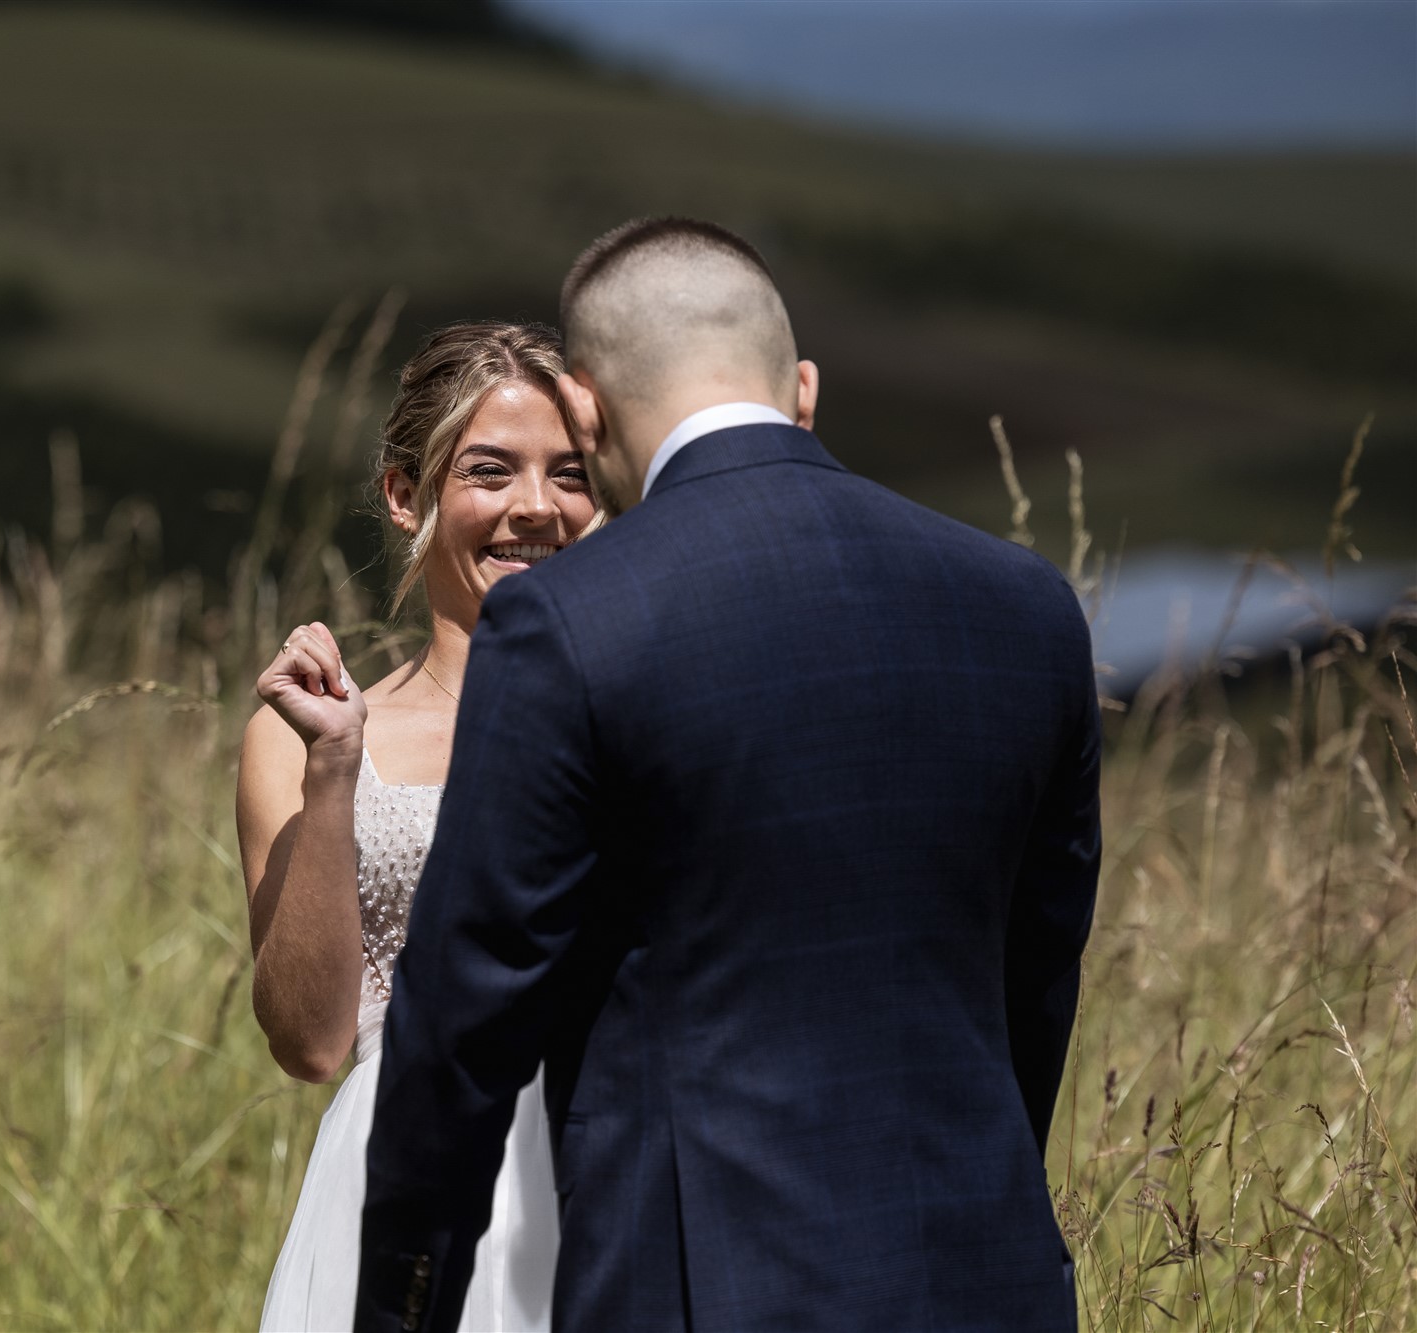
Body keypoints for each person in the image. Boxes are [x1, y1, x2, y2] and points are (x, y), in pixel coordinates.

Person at [357, 218, 1102, 1332]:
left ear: (587, 407)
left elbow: (465, 1020)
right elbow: (1034, 978)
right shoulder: (1024, 603)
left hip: (702, 1290)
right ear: (800, 388)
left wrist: (403, 1310)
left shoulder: (566, 621)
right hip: (980, 1275)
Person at [238, 321, 602, 1332]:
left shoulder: (650, 716)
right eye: (491, 470)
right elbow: (309, 1041)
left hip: (603, 1170)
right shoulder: (306, 733)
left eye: (569, 474)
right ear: (407, 494)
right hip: (394, 1173)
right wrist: (334, 771)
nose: (536, 506)